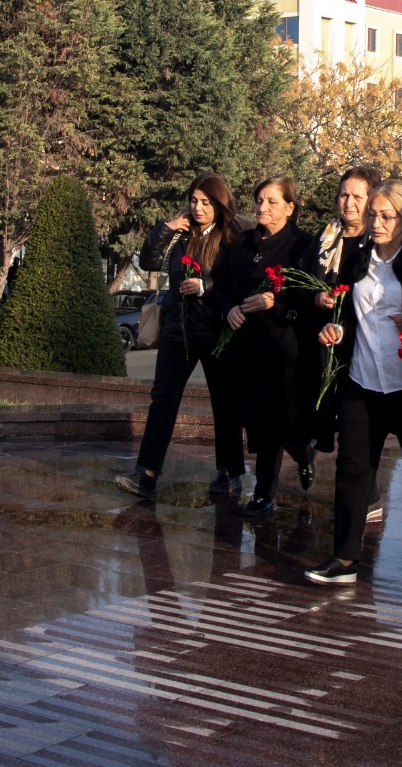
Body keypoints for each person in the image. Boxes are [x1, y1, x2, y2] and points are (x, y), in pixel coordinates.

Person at [304, 180, 402, 586]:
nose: (377, 222)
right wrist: (335, 330)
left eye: (386, 216)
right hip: (362, 381)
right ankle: (345, 557)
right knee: (353, 469)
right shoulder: (355, 257)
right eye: (373, 214)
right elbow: (347, 314)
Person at [116, 174, 248, 500]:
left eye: (205, 202)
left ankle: (229, 472)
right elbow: (149, 260)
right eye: (194, 201)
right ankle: (146, 474)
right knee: (163, 399)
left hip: (216, 332)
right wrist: (168, 227)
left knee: (224, 404)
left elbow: (237, 280)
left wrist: (206, 286)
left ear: (219, 204)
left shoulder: (232, 237)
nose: (198, 208)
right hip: (178, 331)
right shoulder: (181, 234)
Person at [217, 175, 310, 516]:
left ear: (289, 207)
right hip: (244, 346)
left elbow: (307, 293)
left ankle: (264, 492)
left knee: (273, 420)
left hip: (281, 347)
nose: (263, 207)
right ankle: (301, 450)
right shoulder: (244, 242)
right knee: (255, 419)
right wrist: (229, 308)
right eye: (259, 200)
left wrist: (276, 301)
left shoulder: (302, 245)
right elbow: (223, 286)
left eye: (272, 201)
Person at [297, 166, 382, 474]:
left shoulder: (378, 241)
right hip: (319, 340)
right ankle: (310, 452)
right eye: (344, 195)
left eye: (357, 196)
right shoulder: (325, 237)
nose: (349, 203)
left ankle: (362, 486)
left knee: (354, 429)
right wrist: (315, 297)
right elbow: (298, 283)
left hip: (359, 343)